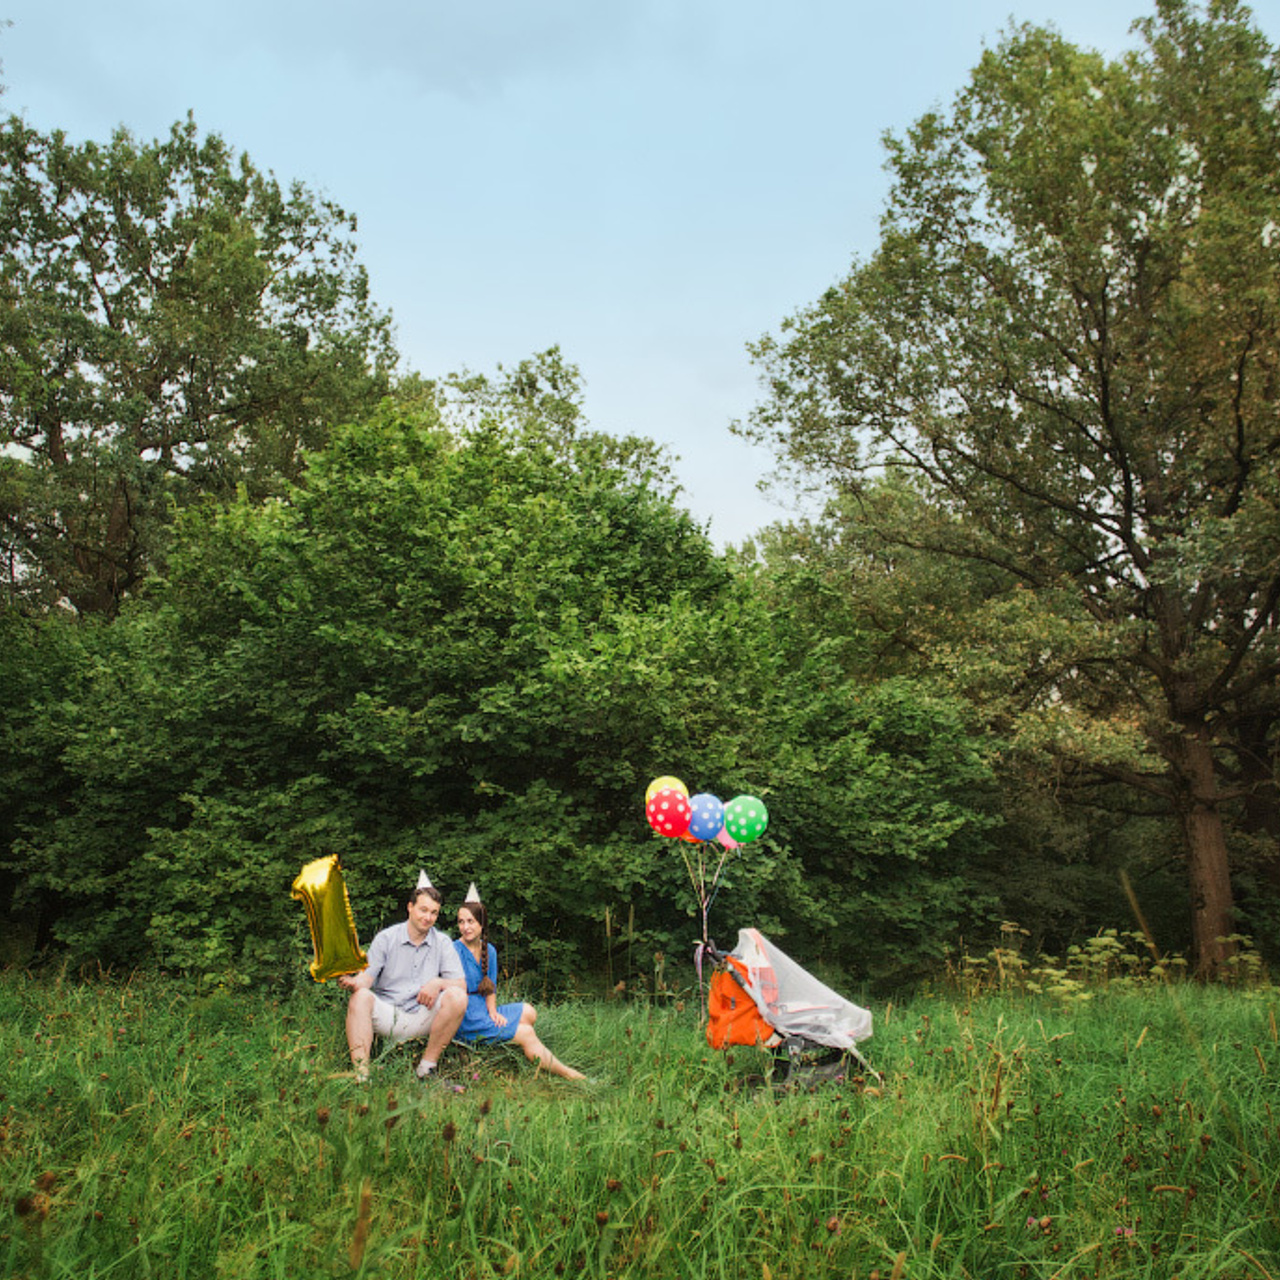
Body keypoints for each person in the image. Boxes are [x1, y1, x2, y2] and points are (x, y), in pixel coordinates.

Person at [338, 876, 466, 1084]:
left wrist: (437, 983)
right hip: (389, 1015)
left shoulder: (442, 942)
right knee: (360, 997)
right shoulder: (386, 938)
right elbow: (366, 979)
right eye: (423, 910)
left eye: (434, 913)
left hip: (424, 1014)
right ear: (410, 907)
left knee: (457, 996)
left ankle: (427, 1068)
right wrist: (353, 983)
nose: (428, 917)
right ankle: (362, 1076)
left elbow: (461, 985)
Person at [453, 892, 585, 1080]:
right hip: (466, 1016)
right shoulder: (453, 950)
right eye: (461, 922)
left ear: (482, 923)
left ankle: (516, 1048)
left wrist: (493, 1012)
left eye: (470, 921)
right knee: (526, 1031)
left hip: (482, 1010)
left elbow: (490, 987)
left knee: (529, 1012)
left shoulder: (488, 950)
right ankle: (569, 1074)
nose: (465, 927)